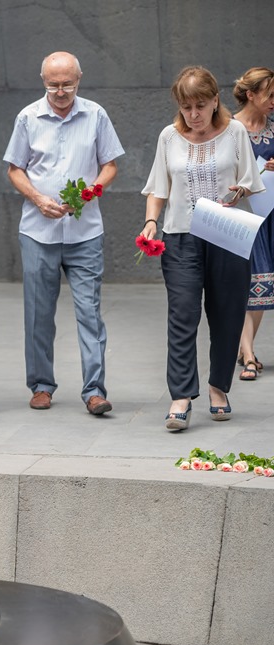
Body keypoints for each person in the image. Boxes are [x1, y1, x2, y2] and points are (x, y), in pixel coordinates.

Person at [140, 65, 265, 431]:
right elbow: (157, 187)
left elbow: (250, 181)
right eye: (185, 107)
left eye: (199, 105)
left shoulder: (235, 131)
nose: (192, 114)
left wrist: (239, 190)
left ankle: (218, 388)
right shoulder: (169, 137)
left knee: (227, 314)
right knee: (182, 314)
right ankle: (181, 395)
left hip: (226, 233)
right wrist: (151, 221)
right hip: (180, 236)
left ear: (215, 101)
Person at [3, 52, 123, 415]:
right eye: (53, 84)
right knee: (39, 312)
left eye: (67, 84)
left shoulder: (96, 114)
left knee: (90, 310)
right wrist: (38, 199)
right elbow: (14, 169)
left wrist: (91, 192)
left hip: (84, 231)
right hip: (39, 230)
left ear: (79, 79)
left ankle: (95, 390)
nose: (60, 91)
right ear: (43, 80)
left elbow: (110, 165)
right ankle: (41, 385)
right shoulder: (27, 116)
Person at [232, 67, 274, 382]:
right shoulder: (230, 128)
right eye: (269, 95)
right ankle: (247, 353)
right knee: (251, 283)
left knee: (262, 283)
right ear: (251, 94)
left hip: (270, 212)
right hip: (243, 215)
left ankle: (245, 348)